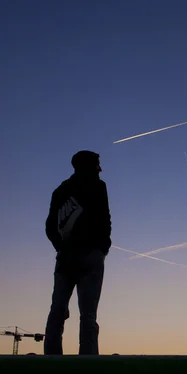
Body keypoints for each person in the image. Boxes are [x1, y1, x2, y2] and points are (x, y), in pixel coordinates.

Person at [44, 150, 111, 355]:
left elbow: (49, 227)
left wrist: (62, 248)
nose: (100, 169)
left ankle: (53, 361)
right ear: (87, 166)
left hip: (74, 258)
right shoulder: (96, 187)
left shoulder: (61, 190)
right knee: (86, 316)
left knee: (58, 311)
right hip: (83, 257)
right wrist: (101, 247)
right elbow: (105, 219)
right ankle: (87, 364)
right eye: (96, 164)